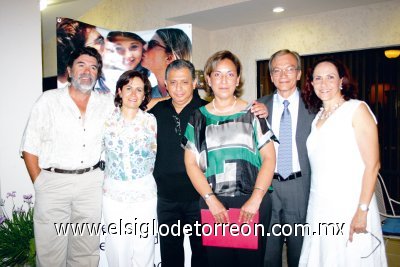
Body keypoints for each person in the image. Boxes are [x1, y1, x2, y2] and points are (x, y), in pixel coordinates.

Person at [149, 58, 269, 267]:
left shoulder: (206, 111)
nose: (179, 88)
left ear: (195, 83)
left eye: (185, 82)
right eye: (173, 82)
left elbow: (266, 154)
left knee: (205, 256)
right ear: (165, 85)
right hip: (167, 197)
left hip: (200, 197)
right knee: (170, 254)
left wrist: (261, 110)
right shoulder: (155, 112)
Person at [20, 46, 114, 266]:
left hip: (90, 185)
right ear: (69, 71)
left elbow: (135, 103)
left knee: (86, 250)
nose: (87, 71)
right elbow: (29, 146)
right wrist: (41, 183)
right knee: (50, 251)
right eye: (81, 65)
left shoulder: (106, 102)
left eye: (93, 67)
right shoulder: (48, 100)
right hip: (53, 184)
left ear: (97, 75)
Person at [182, 50, 277, 267]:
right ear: (208, 79)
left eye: (230, 74)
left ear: (238, 79)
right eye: (217, 74)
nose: (224, 80)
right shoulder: (198, 117)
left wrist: (255, 199)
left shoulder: (253, 113)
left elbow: (269, 159)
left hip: (253, 203)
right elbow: (190, 164)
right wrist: (211, 201)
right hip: (213, 204)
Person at [298, 58, 387, 266]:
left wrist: (362, 210)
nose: (323, 83)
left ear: (341, 81)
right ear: (311, 84)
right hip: (320, 204)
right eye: (318, 78)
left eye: (330, 77)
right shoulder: (317, 117)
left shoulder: (357, 109)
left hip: (349, 204)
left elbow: (373, 165)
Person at [257, 49, 315, 267]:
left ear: (299, 73)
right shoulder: (257, 108)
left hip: (300, 186)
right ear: (271, 76)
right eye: (277, 70)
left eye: (289, 69)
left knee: (299, 253)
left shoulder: (315, 106)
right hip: (268, 186)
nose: (283, 75)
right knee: (267, 254)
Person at [102, 70, 157, 266]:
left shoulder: (151, 121)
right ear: (119, 91)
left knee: (144, 246)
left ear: (144, 95)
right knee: (117, 247)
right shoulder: (106, 120)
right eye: (129, 88)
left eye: (139, 90)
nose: (133, 94)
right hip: (114, 193)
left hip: (144, 192)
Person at [142, 28, 192, 101]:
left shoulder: (188, 98)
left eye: (152, 44)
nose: (144, 47)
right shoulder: (147, 95)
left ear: (169, 57)